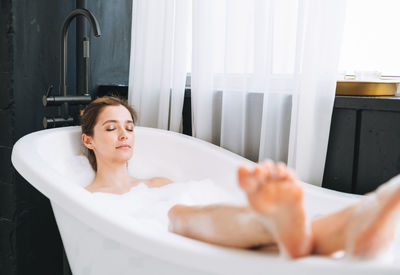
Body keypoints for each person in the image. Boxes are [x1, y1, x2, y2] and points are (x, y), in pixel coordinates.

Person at [81, 95, 400, 259]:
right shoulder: (87, 199)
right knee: (178, 215)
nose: (124, 134)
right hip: (164, 234)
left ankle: (284, 225)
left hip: (195, 229)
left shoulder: (159, 184)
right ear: (89, 140)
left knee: (181, 211)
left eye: (130, 127)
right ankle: (341, 224)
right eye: (111, 128)